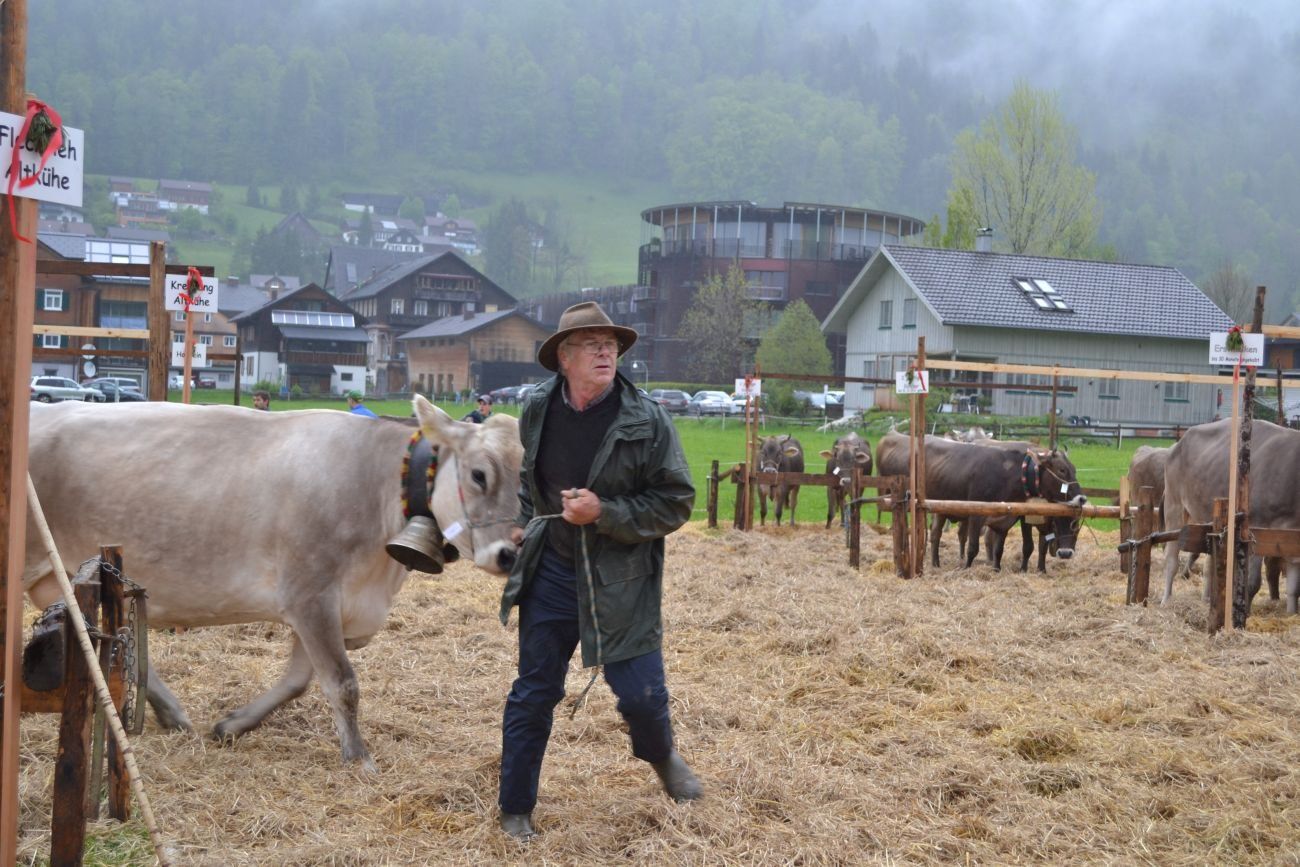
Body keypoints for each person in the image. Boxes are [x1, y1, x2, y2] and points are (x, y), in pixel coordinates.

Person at [497, 301, 699, 842]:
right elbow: (531, 480)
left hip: (621, 580)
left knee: (641, 697)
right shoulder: (537, 409)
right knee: (534, 693)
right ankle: (515, 808)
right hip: (552, 572)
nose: (606, 352)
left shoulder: (647, 419)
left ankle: (662, 757)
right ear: (564, 358)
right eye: (591, 345)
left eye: (610, 344)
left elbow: (676, 501)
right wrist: (523, 522)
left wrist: (604, 513)